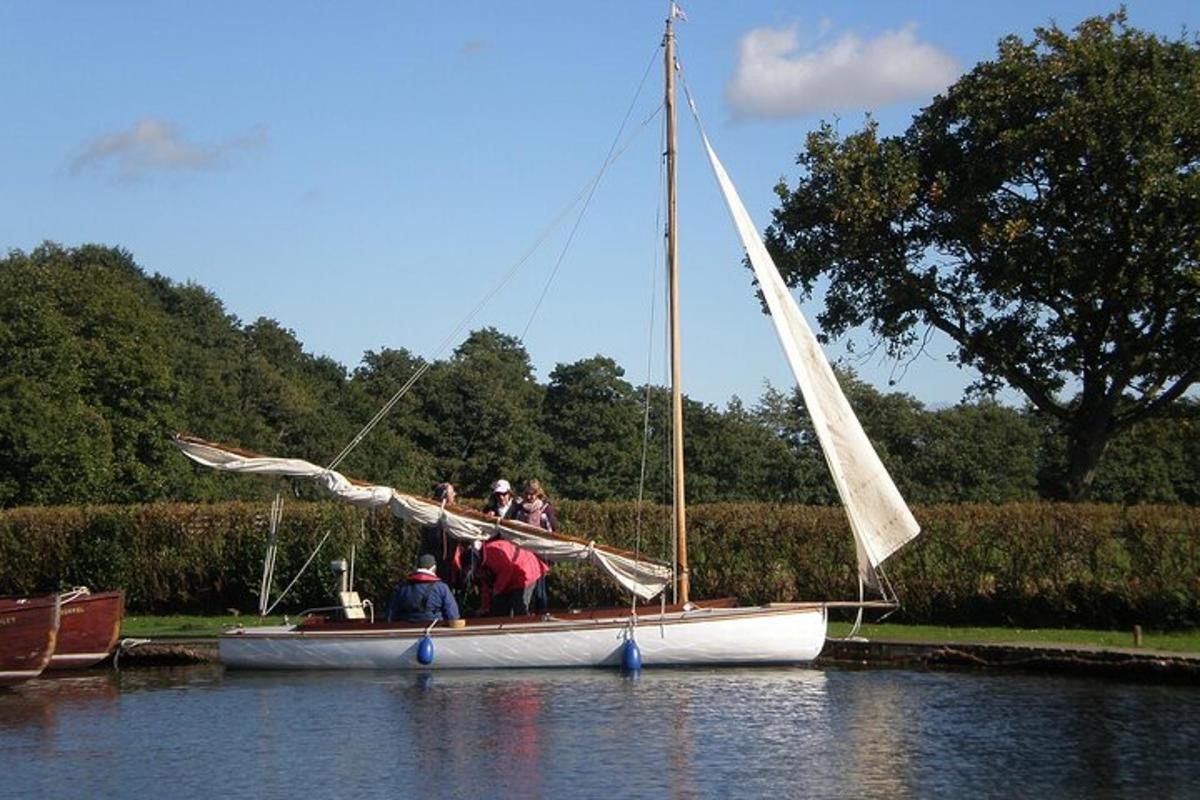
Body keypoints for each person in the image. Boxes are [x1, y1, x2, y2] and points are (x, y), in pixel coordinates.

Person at [474, 536, 549, 616]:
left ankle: (523, 625)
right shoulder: (480, 565)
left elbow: (506, 570)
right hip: (512, 577)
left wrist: (497, 589)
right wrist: (485, 606)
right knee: (502, 607)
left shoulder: (491, 552)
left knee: (519, 605)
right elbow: (486, 584)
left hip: (525, 569)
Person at [386, 553, 460, 624]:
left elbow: (392, 614)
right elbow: (453, 615)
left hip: (408, 629)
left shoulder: (403, 587)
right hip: (435, 629)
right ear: (434, 568)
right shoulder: (442, 588)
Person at [419, 482, 458, 583]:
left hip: (452, 562)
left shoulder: (457, 515)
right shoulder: (432, 517)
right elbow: (428, 541)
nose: (454, 495)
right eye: (452, 493)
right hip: (435, 562)